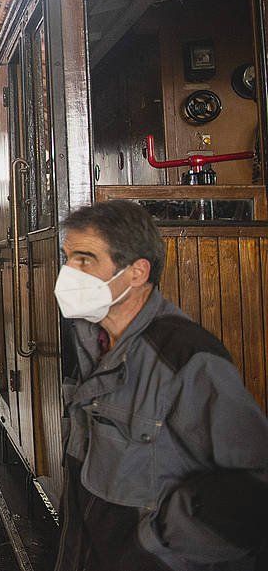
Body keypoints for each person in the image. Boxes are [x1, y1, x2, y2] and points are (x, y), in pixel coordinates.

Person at [53, 200, 268, 571]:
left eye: (85, 259)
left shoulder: (185, 358)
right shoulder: (90, 345)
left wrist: (157, 543)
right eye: (67, 257)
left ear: (137, 272)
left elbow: (256, 484)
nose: (68, 272)